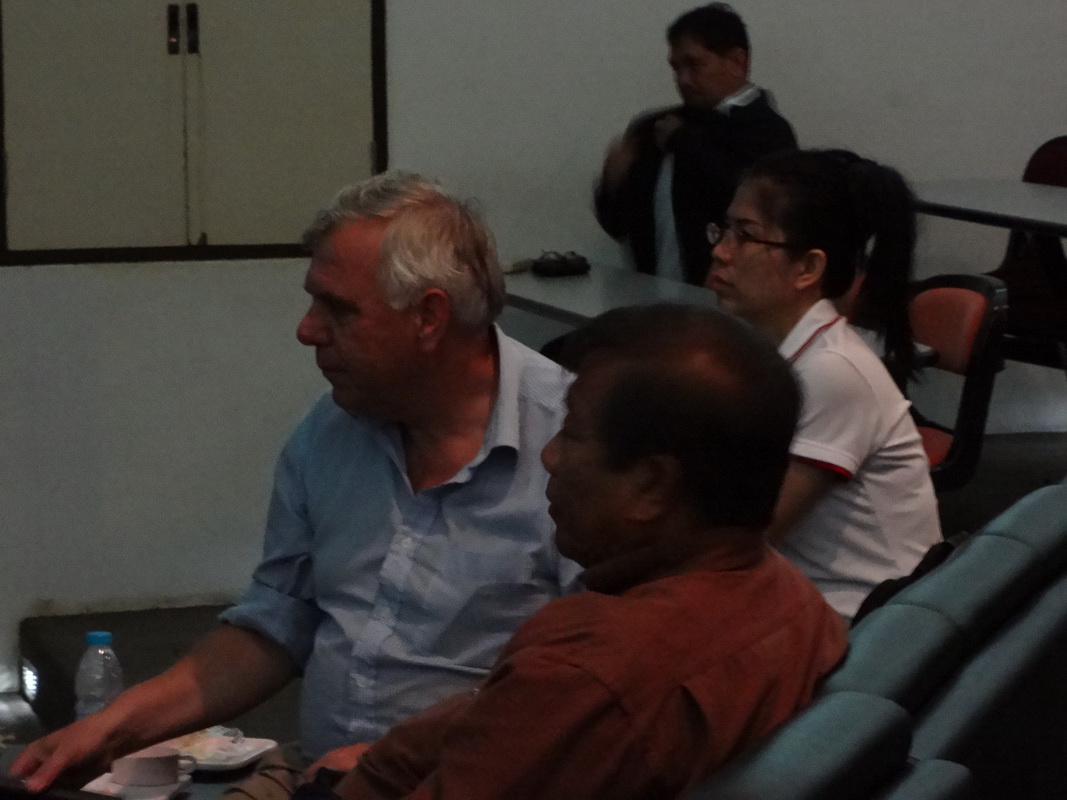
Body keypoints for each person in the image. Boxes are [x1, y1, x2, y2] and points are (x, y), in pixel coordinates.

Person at [11, 173, 580, 790]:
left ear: (429, 316)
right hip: (320, 773)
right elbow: (278, 622)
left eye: (339, 310)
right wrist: (114, 727)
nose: (307, 330)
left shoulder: (577, 444)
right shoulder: (332, 429)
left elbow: (589, 683)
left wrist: (399, 758)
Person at [321, 304, 847, 800]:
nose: (550, 457)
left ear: (651, 486)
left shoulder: (586, 674)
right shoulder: (797, 606)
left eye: (570, 435)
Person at [706, 147, 943, 620]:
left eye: (744, 235)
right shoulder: (770, 352)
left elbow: (750, 535)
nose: (720, 250)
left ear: (808, 268)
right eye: (724, 229)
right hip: (806, 600)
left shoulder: (832, 372)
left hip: (869, 620)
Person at [594, 3, 796, 286]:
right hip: (650, 294)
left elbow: (760, 212)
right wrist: (611, 183)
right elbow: (618, 226)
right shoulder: (654, 127)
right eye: (676, 67)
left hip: (731, 299)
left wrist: (684, 144)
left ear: (737, 62)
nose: (683, 79)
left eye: (694, 64)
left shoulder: (769, 132)